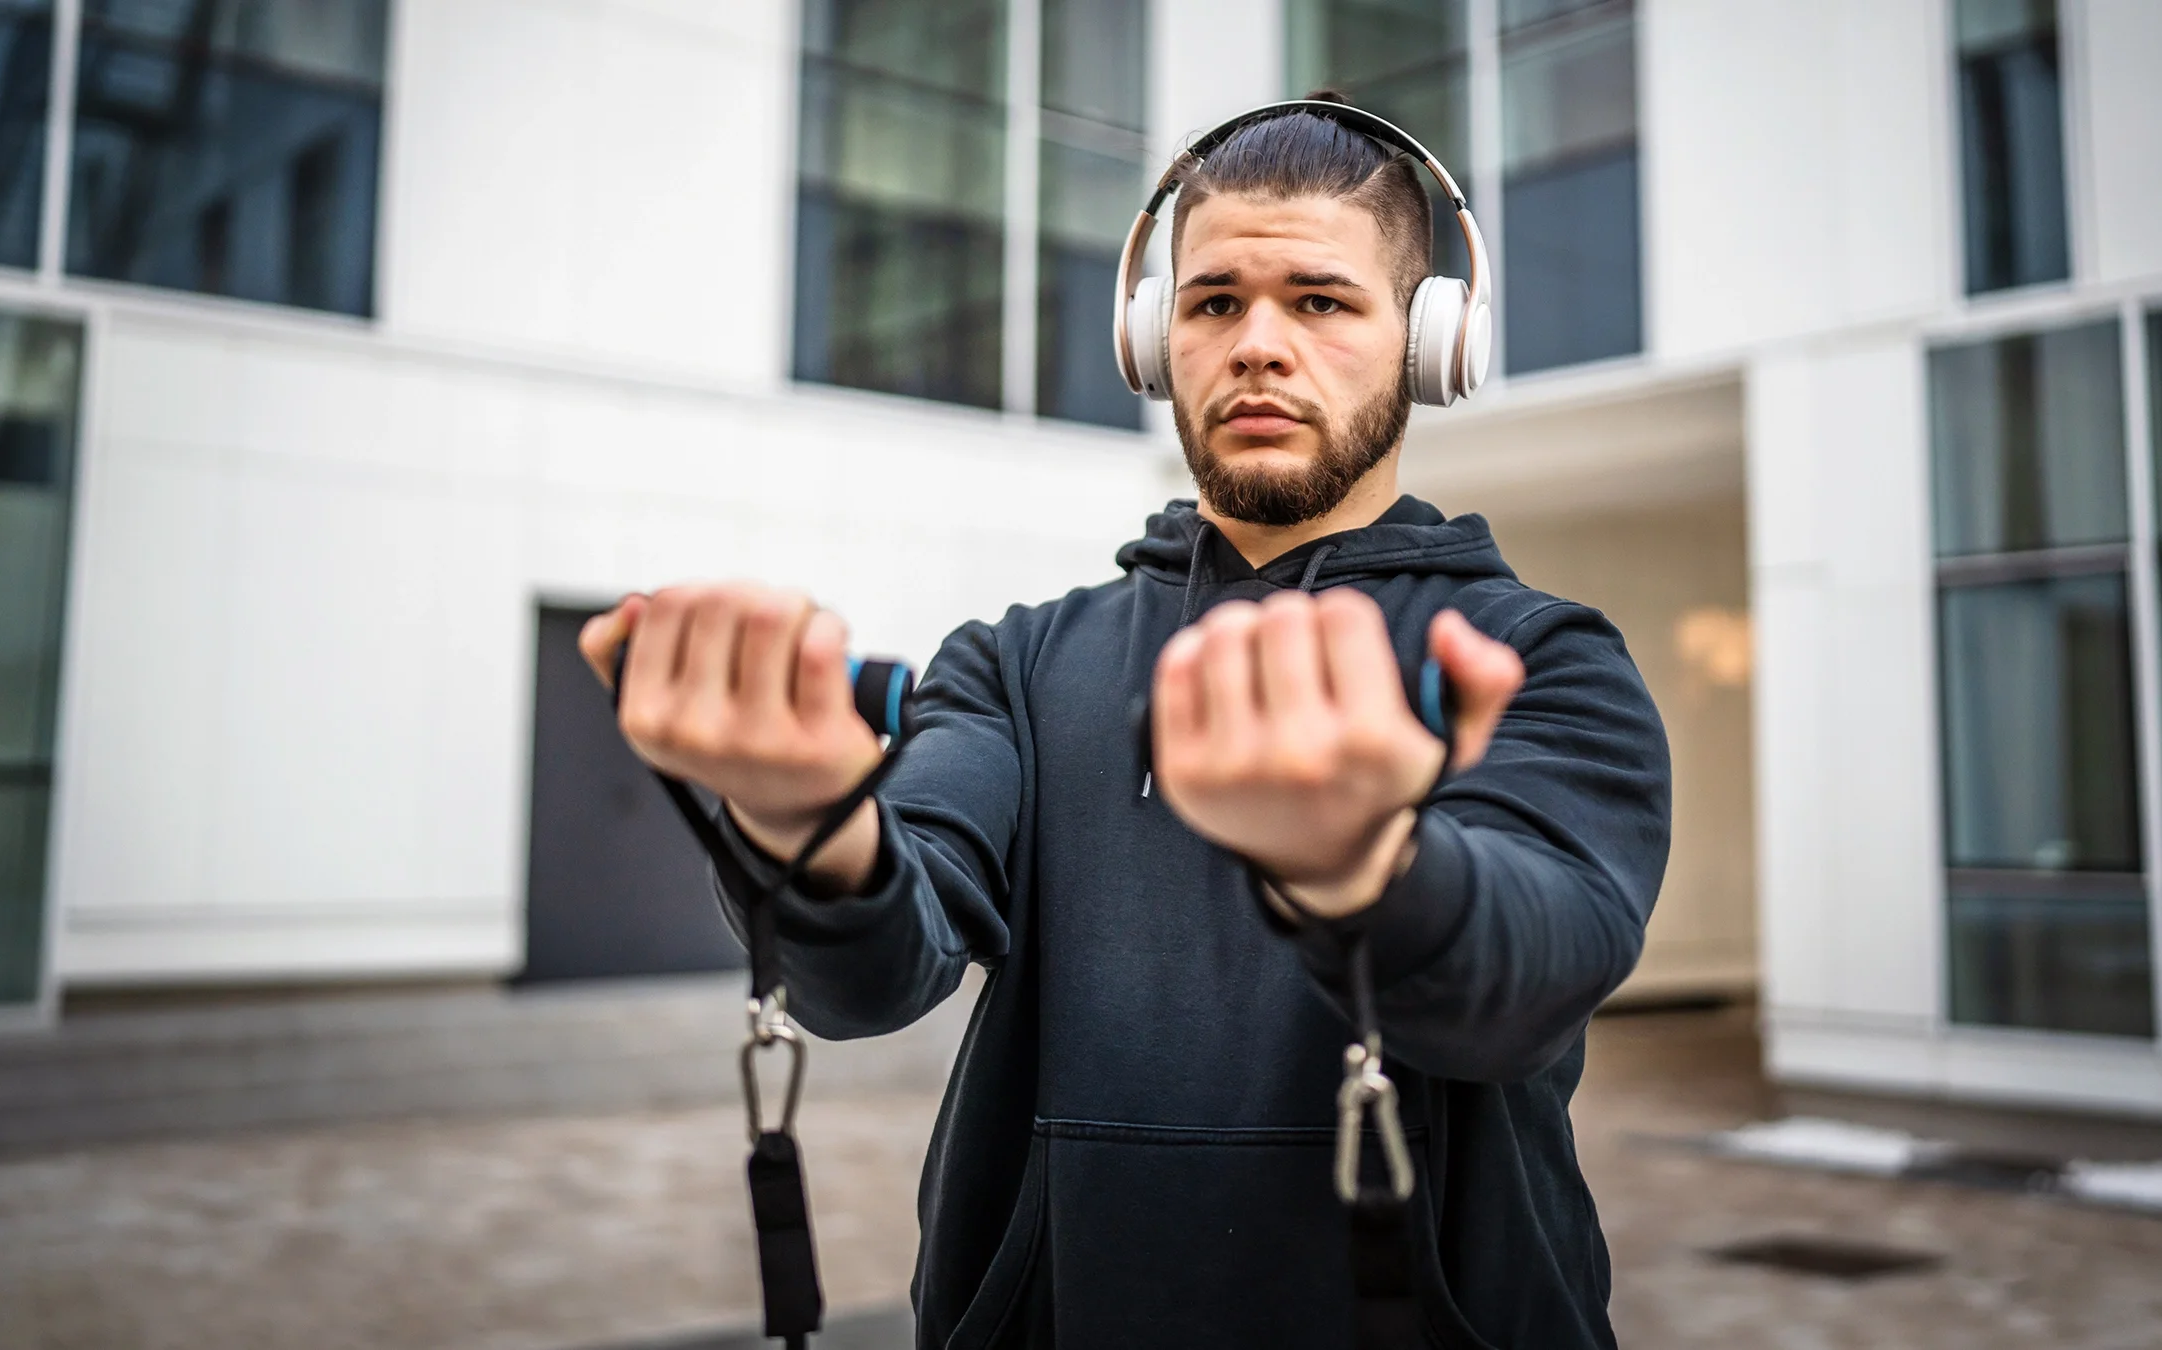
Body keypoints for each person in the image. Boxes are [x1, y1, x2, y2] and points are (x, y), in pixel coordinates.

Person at [582, 96, 1670, 1350]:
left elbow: (1525, 987)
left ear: (1432, 343)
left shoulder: (1538, 658)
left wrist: (1362, 867)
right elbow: (874, 975)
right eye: (1213, 303)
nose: (1258, 344)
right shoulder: (1018, 661)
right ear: (1155, 343)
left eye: (1319, 301)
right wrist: (801, 819)